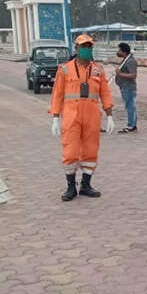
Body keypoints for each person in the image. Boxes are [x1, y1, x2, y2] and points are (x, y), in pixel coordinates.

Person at [49, 34, 115, 201]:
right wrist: (55, 117)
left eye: (89, 46)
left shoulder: (98, 70)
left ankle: (86, 185)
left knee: (91, 150)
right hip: (71, 115)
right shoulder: (65, 69)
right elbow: (57, 94)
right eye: (83, 46)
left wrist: (110, 116)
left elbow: (105, 93)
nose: (87, 49)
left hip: (92, 114)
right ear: (76, 49)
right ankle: (71, 187)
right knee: (70, 151)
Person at [114, 42, 138, 133]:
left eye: (119, 50)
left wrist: (120, 74)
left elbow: (133, 75)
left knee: (130, 106)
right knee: (129, 106)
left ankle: (131, 125)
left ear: (124, 52)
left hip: (128, 87)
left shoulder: (130, 61)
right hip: (124, 87)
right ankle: (132, 124)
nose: (118, 52)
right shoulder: (125, 60)